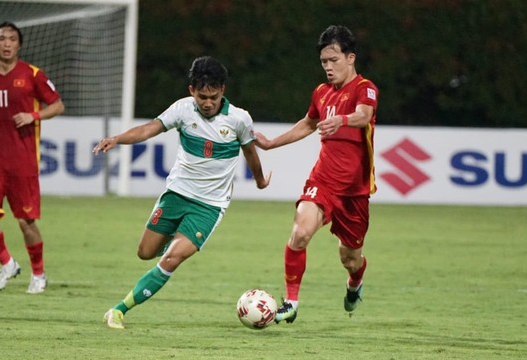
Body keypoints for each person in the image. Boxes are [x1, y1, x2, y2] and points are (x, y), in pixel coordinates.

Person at [94, 56, 271, 329]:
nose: (208, 103)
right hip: (176, 194)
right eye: (202, 96)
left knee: (171, 259)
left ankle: (118, 310)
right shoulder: (183, 110)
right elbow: (149, 129)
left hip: (209, 206)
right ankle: (173, 241)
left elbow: (250, 152)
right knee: (145, 252)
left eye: (213, 96)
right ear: (192, 91)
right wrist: (118, 139)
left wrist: (259, 180)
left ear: (223, 90)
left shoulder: (239, 119)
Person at [254, 25, 379, 322]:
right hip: (323, 181)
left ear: (350, 58)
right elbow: (308, 124)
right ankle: (292, 303)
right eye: (324, 61)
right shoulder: (321, 93)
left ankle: (355, 281)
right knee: (300, 232)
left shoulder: (365, 87)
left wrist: (343, 121)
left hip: (355, 191)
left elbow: (365, 115)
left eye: (333, 60)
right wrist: (271, 144)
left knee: (349, 258)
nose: (328, 67)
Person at [0, 21, 65, 294]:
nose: (7, 43)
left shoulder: (32, 74)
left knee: (25, 221)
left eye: (12, 39)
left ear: (19, 45)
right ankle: (8, 264)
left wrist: (33, 116)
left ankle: (39, 274)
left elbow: (58, 105)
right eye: (2, 38)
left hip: (23, 161)